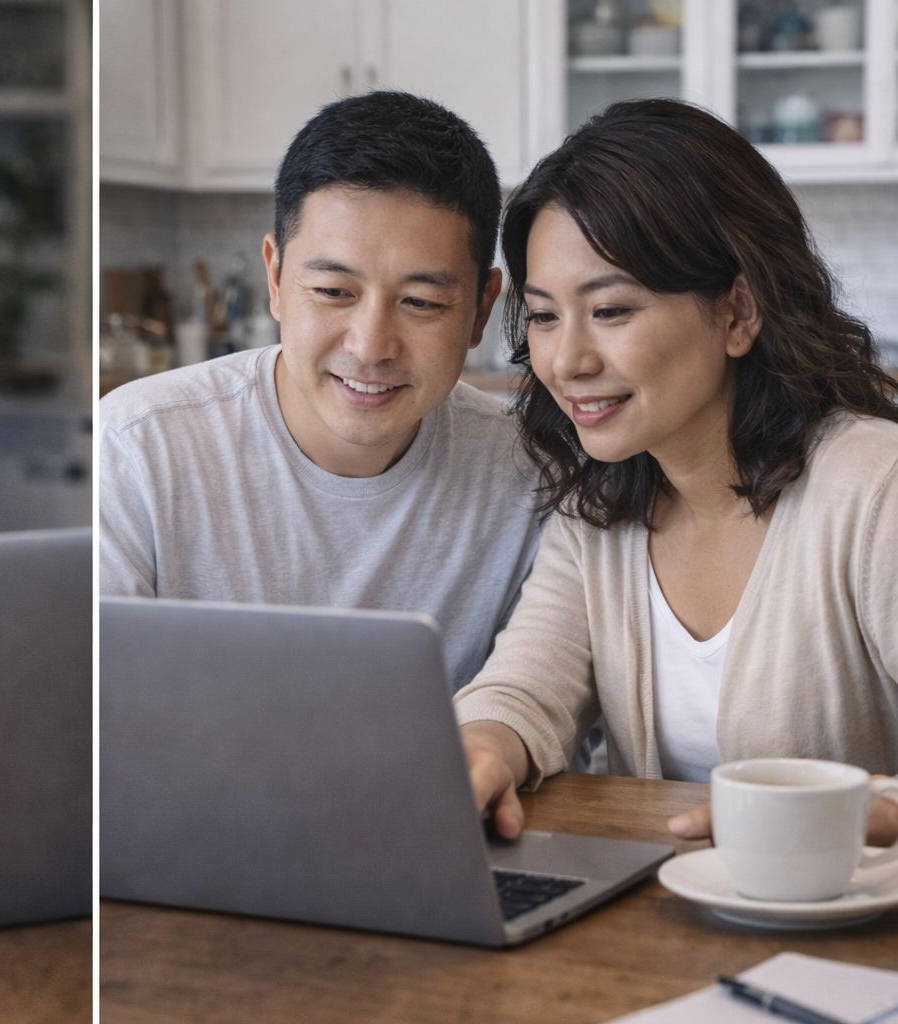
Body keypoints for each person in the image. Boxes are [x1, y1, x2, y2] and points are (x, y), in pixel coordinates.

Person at [454, 98, 898, 843]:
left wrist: (860, 814)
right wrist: (484, 744)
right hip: (670, 932)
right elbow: (528, 685)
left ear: (737, 312)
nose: (567, 362)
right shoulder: (600, 503)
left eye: (612, 310)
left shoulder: (872, 489)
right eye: (545, 315)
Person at [99, 91, 544, 692]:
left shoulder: (531, 473)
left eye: (422, 302)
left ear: (481, 309)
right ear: (276, 278)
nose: (370, 346)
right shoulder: (139, 445)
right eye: (334, 292)